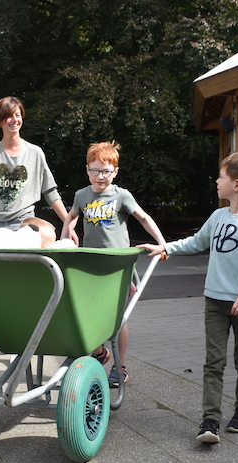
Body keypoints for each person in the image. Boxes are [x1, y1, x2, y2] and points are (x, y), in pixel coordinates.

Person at [140, 151, 238, 444]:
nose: (216, 181)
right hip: (214, 302)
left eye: (222, 177)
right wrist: (166, 248)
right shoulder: (217, 217)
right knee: (214, 362)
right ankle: (210, 420)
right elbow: (195, 242)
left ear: (237, 184)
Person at [61, 141, 165, 387]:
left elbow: (143, 217)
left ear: (115, 172)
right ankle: (99, 352)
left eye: (106, 171)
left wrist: (162, 242)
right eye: (95, 170)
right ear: (87, 170)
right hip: (91, 263)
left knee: (118, 319)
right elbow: (71, 217)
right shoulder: (81, 195)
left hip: (118, 265)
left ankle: (121, 367)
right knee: (87, 311)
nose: (100, 176)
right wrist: (67, 236)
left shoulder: (121, 195)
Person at [0, 96, 77, 247]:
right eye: (9, 116)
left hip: (25, 226)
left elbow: (50, 192)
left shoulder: (35, 153)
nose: (14, 120)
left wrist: (68, 226)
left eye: (17, 115)